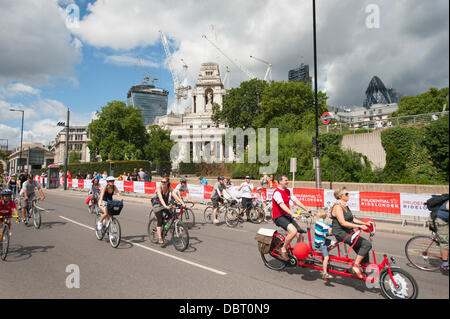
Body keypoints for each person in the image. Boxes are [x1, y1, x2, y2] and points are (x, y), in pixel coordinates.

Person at [330, 187, 373, 279]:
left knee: (363, 250)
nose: (348, 195)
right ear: (340, 196)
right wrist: (358, 226)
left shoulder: (345, 206)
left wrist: (364, 223)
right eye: (346, 194)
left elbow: (352, 219)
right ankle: (356, 265)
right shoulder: (338, 207)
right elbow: (342, 222)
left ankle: (365, 268)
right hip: (341, 233)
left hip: (348, 231)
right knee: (366, 244)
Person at [272, 174, 309, 261]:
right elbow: (282, 205)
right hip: (279, 217)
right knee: (293, 231)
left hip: (287, 215)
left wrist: (306, 209)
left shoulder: (288, 191)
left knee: (300, 233)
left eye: (287, 180)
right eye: (285, 180)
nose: (287, 182)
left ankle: (297, 253)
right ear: (280, 181)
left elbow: (296, 200)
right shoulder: (277, 192)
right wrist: (293, 213)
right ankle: (283, 249)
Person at [151, 176, 183, 244]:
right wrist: (165, 206)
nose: (162, 183)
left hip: (165, 203)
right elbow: (160, 198)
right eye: (161, 182)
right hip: (157, 203)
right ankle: (160, 238)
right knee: (160, 220)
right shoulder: (159, 188)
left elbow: (175, 195)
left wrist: (182, 203)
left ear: (167, 182)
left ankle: (164, 227)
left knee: (171, 215)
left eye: (164, 182)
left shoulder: (169, 187)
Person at [315, 209, 337, 280]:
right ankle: (325, 273)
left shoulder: (317, 222)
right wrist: (330, 232)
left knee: (334, 243)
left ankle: (325, 252)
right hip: (321, 242)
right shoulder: (324, 225)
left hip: (318, 240)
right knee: (326, 258)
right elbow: (325, 235)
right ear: (325, 216)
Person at [435, 199, 449, 272]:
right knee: (445, 242)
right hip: (442, 221)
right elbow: (447, 206)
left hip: (447, 220)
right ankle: (445, 264)